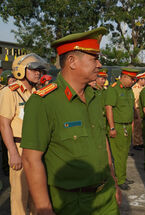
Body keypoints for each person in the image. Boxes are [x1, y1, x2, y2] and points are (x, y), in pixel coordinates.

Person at [20, 27, 121, 214]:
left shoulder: (95, 96)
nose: (99, 64)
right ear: (72, 61)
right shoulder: (44, 102)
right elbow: (30, 160)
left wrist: (113, 181)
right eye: (94, 58)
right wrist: (43, 209)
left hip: (105, 196)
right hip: (70, 202)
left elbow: (102, 141)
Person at [0, 53, 49, 215]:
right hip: (20, 147)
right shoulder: (9, 92)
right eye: (34, 69)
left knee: (37, 194)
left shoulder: (38, 93)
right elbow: (4, 124)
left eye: (40, 70)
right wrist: (13, 153)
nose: (38, 73)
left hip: (38, 148)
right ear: (21, 71)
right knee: (20, 196)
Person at [104, 67, 139, 191]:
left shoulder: (129, 90)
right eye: (131, 79)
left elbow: (131, 108)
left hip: (127, 126)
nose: (133, 81)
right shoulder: (114, 89)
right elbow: (109, 108)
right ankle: (120, 180)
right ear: (124, 77)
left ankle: (122, 176)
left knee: (124, 154)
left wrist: (133, 122)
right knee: (119, 155)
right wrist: (112, 127)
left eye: (134, 79)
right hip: (118, 126)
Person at [132, 72, 145, 151]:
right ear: (139, 80)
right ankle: (136, 143)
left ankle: (140, 142)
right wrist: (137, 113)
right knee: (137, 127)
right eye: (143, 79)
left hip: (142, 110)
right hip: (137, 110)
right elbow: (135, 103)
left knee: (141, 127)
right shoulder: (135, 89)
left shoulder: (142, 88)